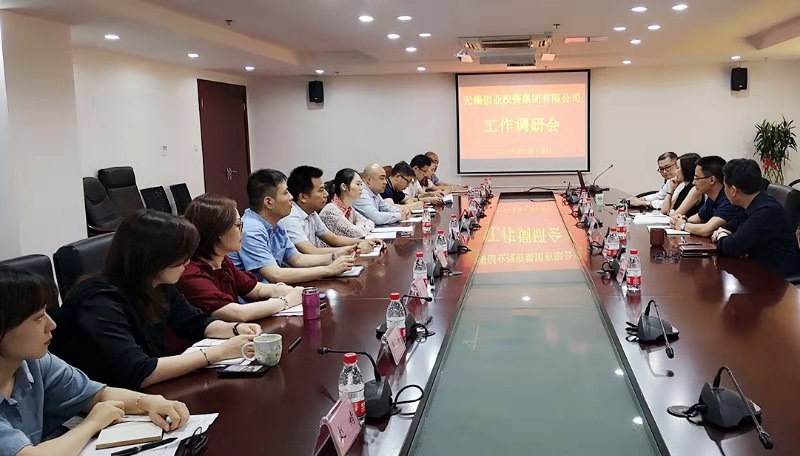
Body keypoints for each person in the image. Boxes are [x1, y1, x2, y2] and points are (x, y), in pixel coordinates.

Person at [50, 210, 261, 390]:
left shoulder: (158, 284)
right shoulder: (99, 301)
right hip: (102, 401)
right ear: (154, 257)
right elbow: (138, 372)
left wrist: (235, 329)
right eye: (181, 256)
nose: (188, 262)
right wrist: (219, 352)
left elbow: (194, 322)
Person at [0, 267, 191, 456]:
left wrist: (148, 402)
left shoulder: (35, 363)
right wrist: (92, 424)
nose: (52, 325)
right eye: (38, 318)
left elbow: (97, 395)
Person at [178, 194, 306, 322]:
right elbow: (237, 313)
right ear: (218, 231)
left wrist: (285, 290)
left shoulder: (222, 261)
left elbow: (256, 289)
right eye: (237, 225)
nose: (242, 231)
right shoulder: (190, 273)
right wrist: (286, 301)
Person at [230, 169, 355, 284]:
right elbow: (275, 274)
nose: (291, 197)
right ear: (269, 202)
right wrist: (329, 270)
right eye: (286, 193)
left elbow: (297, 259)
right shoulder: (251, 230)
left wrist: (335, 256)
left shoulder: (277, 222)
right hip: (256, 297)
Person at [711, 159, 800, 277]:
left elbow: (732, 247)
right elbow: (729, 228)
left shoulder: (766, 212)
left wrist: (721, 236)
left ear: (733, 190)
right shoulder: (752, 204)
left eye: (725, 187)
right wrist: (723, 233)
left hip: (779, 280)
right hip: (759, 272)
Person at [281, 166, 378, 254]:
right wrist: (355, 248)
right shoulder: (291, 217)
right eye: (321, 190)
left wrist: (362, 241)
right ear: (303, 197)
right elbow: (311, 251)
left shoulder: (312, 213)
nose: (326, 194)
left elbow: (334, 239)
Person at [670, 156, 743, 237]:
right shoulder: (711, 198)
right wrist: (681, 220)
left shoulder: (729, 200)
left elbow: (707, 230)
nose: (693, 182)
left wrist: (683, 225)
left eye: (697, 178)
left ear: (712, 180)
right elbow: (697, 218)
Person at [319, 169, 376, 238]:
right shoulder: (331, 211)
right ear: (344, 187)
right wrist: (361, 225)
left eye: (361, 184)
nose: (361, 188)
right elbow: (357, 234)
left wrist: (359, 227)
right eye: (358, 184)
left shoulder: (349, 209)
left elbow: (370, 222)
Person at [661, 153, 703, 217]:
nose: (675, 171)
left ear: (686, 170)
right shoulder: (684, 187)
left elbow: (676, 213)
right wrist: (671, 190)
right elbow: (665, 210)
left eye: (678, 168)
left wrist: (671, 212)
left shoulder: (695, 189)